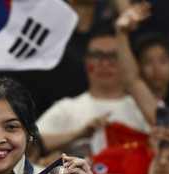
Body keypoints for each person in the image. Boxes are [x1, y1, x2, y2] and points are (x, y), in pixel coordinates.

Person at [37, 25, 151, 158]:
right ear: (86, 61)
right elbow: (28, 143)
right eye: (97, 56)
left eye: (113, 56)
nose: (105, 63)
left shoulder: (145, 110)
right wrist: (78, 134)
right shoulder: (67, 109)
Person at [115, 1, 169, 126]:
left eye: (163, 60)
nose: (157, 69)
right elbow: (132, 80)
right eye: (148, 61)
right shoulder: (166, 119)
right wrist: (121, 32)